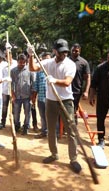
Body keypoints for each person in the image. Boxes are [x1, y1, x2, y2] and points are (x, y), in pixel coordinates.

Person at [28, 39, 82, 174]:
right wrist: (30, 55)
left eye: (65, 52)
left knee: (71, 130)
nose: (63, 54)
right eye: (61, 51)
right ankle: (54, 154)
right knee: (51, 129)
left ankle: (73, 159)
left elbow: (67, 82)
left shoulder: (70, 64)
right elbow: (32, 68)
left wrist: (54, 80)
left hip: (66, 101)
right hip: (50, 100)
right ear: (54, 51)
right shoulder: (48, 62)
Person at [11, 53, 35, 135]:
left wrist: (32, 95)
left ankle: (26, 127)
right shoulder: (13, 71)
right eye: (20, 62)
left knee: (27, 113)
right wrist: (12, 94)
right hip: (17, 96)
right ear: (17, 61)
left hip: (27, 96)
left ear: (26, 62)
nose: (21, 64)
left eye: (23, 62)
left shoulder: (30, 70)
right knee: (16, 113)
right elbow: (11, 83)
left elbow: (33, 83)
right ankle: (17, 125)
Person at [69, 43, 91, 124]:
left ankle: (73, 128)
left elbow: (88, 77)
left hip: (76, 91)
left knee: (74, 110)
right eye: (73, 50)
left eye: (76, 51)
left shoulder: (84, 63)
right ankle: (62, 129)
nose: (74, 52)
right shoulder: (66, 61)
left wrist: (86, 91)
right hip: (65, 90)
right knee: (64, 110)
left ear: (80, 51)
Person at [33, 52, 52, 138]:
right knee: (42, 116)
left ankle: (53, 133)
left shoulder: (53, 70)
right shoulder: (39, 71)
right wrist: (34, 97)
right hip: (41, 98)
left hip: (51, 99)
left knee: (51, 116)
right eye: (45, 59)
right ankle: (44, 131)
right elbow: (36, 85)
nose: (46, 61)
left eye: (48, 59)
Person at [0, 50, 17, 129]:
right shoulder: (3, 65)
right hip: (5, 90)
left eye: (8, 55)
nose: (7, 57)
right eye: (5, 56)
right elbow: (1, 77)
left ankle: (14, 123)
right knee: (4, 107)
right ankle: (2, 122)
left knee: (14, 107)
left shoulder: (16, 63)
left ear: (11, 55)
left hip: (14, 90)